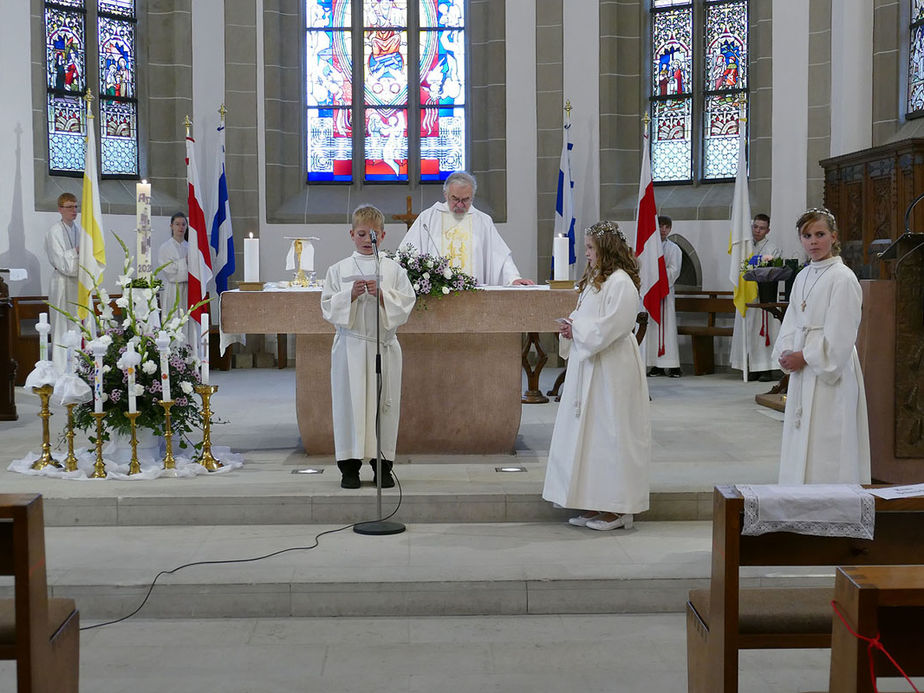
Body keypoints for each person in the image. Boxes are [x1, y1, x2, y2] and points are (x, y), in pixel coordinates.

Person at [542, 220, 651, 531]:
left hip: (612, 369)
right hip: (591, 365)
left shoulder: (620, 283)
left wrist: (578, 329)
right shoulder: (595, 282)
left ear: (605, 250)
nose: (586, 253)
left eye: (590, 248)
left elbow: (615, 325)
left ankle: (619, 510)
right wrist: (570, 326)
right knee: (592, 438)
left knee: (612, 435)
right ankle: (596, 503)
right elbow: (585, 318)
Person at [772, 208, 870, 484]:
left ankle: (830, 502)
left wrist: (805, 356)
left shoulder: (843, 277)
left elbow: (842, 333)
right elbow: (792, 318)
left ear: (833, 236)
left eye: (819, 234)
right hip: (803, 368)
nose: (813, 241)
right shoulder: (803, 276)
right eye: (806, 235)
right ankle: (798, 496)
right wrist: (786, 351)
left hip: (830, 371)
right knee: (802, 433)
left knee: (828, 437)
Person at [322, 205, 417, 489]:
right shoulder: (338, 269)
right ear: (352, 234)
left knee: (384, 409)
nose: (367, 239)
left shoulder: (392, 269)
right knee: (349, 407)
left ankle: (383, 467)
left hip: (383, 347)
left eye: (373, 234)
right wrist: (348, 295)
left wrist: (384, 296)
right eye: (361, 233)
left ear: (383, 235)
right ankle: (349, 469)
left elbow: (406, 303)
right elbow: (327, 305)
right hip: (350, 347)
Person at [398, 171, 535, 286]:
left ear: (472, 197)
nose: (460, 204)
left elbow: (499, 255)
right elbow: (408, 253)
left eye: (465, 200)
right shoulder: (428, 218)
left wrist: (512, 278)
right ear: (446, 195)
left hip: (474, 296)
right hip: (437, 296)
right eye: (455, 199)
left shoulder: (482, 221)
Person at [730, 213, 782, 381]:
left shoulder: (772, 247)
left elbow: (773, 268)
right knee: (749, 331)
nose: (758, 231)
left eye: (762, 228)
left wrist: (756, 263)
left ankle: (765, 368)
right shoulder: (744, 246)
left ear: (768, 230)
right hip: (748, 296)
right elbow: (740, 266)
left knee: (763, 332)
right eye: (755, 227)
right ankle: (751, 366)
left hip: (763, 295)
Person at [45, 193, 81, 372]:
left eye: (75, 207)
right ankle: (61, 369)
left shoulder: (77, 229)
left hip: (75, 283)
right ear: (60, 209)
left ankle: (77, 366)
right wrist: (76, 251)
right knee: (61, 326)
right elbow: (60, 260)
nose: (74, 211)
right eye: (69, 207)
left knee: (75, 324)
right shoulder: (55, 231)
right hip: (61, 283)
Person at [645, 215, 682, 377]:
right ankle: (655, 365)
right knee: (653, 328)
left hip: (666, 293)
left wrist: (659, 273)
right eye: (660, 226)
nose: (663, 230)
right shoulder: (649, 248)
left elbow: (674, 270)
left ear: (670, 229)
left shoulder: (674, 249)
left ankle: (672, 365)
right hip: (652, 292)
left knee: (667, 328)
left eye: (667, 227)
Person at [157, 212, 196, 347]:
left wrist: (181, 265)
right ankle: (173, 355)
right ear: (171, 226)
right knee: (173, 320)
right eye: (177, 224)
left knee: (187, 321)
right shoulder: (165, 247)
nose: (181, 227)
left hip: (187, 289)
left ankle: (187, 353)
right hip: (173, 289)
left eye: (183, 224)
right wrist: (184, 262)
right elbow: (169, 272)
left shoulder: (189, 247)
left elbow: (194, 270)